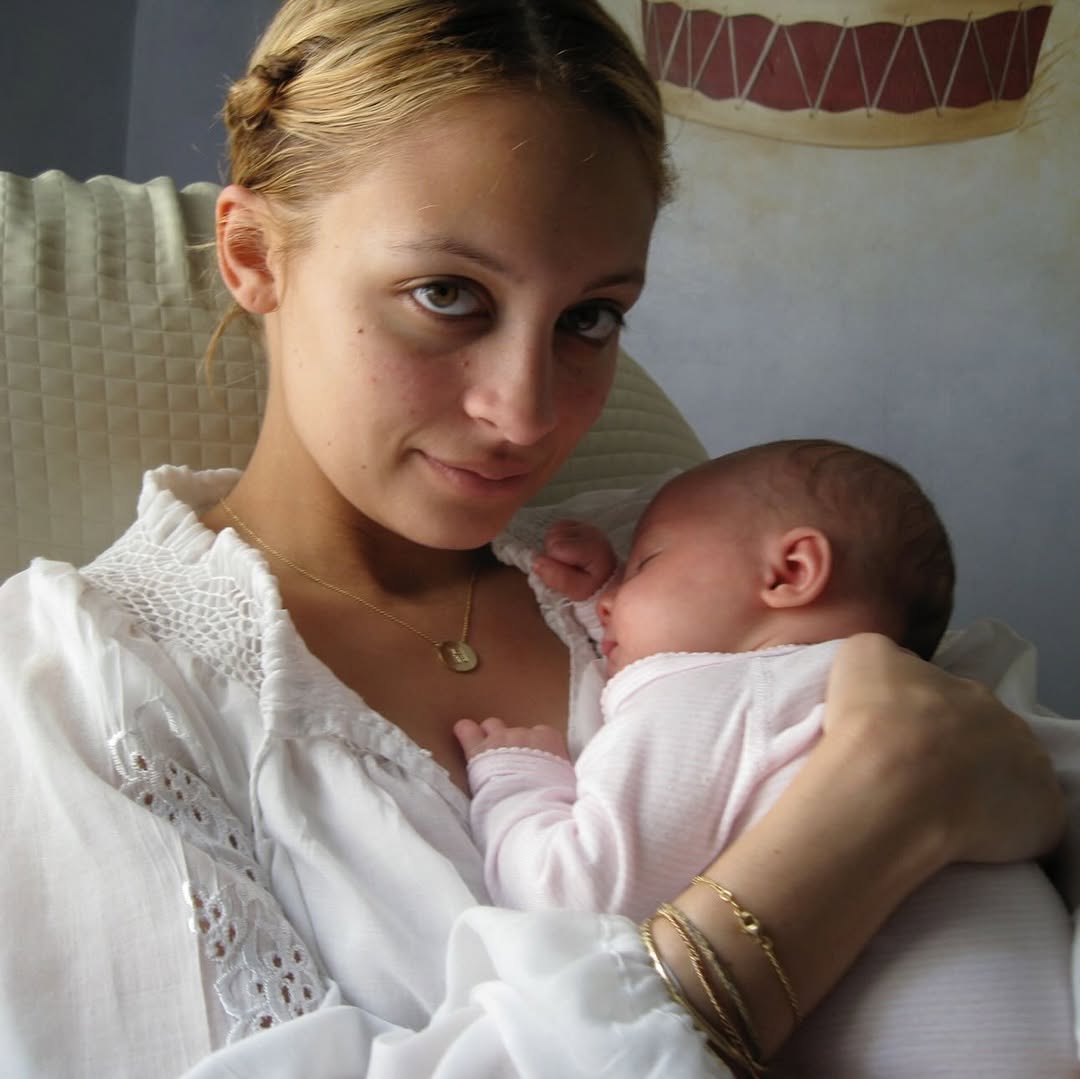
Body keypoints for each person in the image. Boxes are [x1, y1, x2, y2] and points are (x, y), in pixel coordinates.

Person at [0, 2, 1068, 1076]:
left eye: (590, 318)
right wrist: (860, 831)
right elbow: (932, 757)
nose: (527, 412)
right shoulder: (83, 691)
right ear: (251, 254)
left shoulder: (667, 548)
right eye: (448, 294)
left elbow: (1017, 759)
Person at [455, 439, 1078, 1077]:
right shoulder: (922, 693)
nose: (613, 596)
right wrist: (606, 605)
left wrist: (518, 780)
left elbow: (574, 893)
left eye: (643, 564)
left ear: (790, 572)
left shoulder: (703, 693)